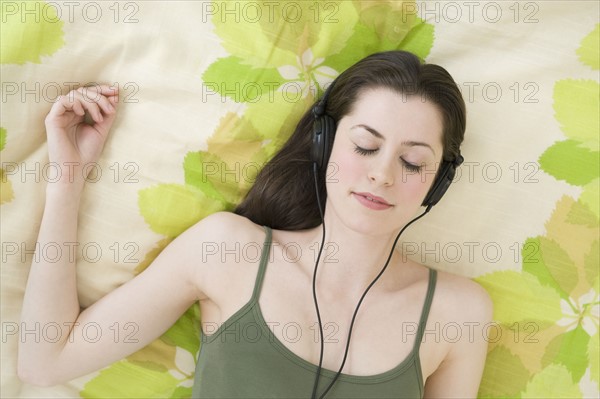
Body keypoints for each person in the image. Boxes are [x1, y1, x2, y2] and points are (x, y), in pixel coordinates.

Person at [18, 50, 493, 398]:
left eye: (412, 161)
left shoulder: (458, 313)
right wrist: (68, 178)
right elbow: (45, 360)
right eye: (365, 146)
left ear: (439, 182)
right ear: (325, 143)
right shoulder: (226, 250)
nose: (382, 174)